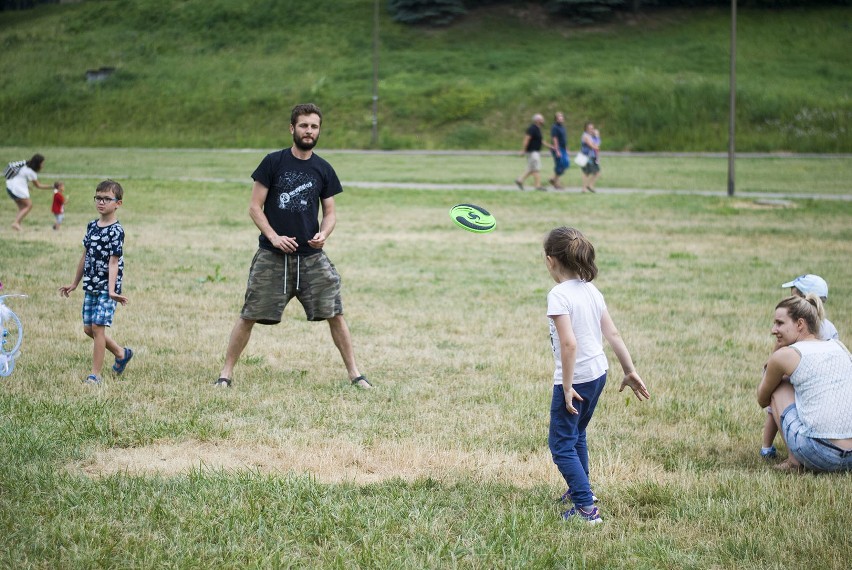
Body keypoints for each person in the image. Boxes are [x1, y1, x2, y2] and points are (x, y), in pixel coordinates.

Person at [215, 103, 370, 390]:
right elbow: (254, 207)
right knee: (248, 314)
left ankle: (355, 374)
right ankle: (225, 374)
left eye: (314, 126)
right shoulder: (273, 163)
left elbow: (331, 213)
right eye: (303, 125)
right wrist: (273, 237)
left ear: (319, 130)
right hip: (272, 257)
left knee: (335, 313)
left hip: (312, 258)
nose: (309, 131)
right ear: (292, 128)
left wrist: (324, 234)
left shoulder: (323, 169)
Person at [543, 226, 650, 524]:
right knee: (577, 433)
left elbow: (568, 343)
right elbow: (612, 333)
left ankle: (586, 509)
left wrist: (565, 386)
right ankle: (582, 489)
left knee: (561, 444)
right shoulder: (591, 289)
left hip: (575, 379)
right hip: (597, 374)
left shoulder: (558, 295)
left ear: (550, 260)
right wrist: (630, 371)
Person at [757, 294, 852, 472]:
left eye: (779, 323)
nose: (773, 329)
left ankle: (794, 463)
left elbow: (762, 398)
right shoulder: (839, 346)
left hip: (821, 455)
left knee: (778, 386)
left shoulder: (785, 355)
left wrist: (775, 353)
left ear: (800, 324)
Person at [59, 180, 133, 385]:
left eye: (107, 199)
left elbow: (114, 262)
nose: (101, 202)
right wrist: (74, 283)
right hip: (90, 285)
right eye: (98, 198)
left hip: (107, 288)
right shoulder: (92, 226)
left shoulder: (116, 231)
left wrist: (112, 291)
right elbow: (85, 255)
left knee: (98, 329)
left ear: (118, 203)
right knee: (88, 329)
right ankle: (121, 353)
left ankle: (95, 375)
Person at [6, 153, 53, 230]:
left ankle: (17, 224)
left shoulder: (24, 166)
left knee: (22, 207)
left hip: (10, 187)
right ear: (38, 164)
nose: (43, 165)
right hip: (17, 189)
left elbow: (20, 177)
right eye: (42, 163)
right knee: (29, 205)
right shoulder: (32, 172)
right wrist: (52, 186)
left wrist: (27, 186)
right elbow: (38, 186)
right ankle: (16, 223)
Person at [515, 113, 551, 191]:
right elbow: (526, 139)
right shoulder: (532, 128)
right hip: (532, 152)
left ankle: (519, 180)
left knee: (531, 169)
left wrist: (550, 146)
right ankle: (538, 186)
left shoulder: (538, 129)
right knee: (536, 169)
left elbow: (540, 141)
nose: (543, 121)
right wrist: (523, 150)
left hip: (535, 152)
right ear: (537, 120)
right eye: (542, 119)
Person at [548, 112, 570, 190]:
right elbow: (555, 139)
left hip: (563, 148)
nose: (561, 118)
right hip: (557, 148)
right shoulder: (555, 127)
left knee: (566, 164)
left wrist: (566, 148)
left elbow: (564, 139)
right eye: (559, 117)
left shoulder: (562, 127)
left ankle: (553, 179)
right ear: (556, 119)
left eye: (562, 116)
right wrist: (557, 150)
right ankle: (556, 184)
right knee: (560, 164)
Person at [579, 123, 601, 193]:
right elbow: (593, 146)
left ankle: (589, 185)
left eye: (592, 128)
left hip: (591, 156)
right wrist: (596, 145)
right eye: (590, 128)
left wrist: (597, 137)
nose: (592, 130)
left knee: (596, 172)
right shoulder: (585, 136)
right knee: (586, 172)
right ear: (586, 129)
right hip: (585, 156)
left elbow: (597, 144)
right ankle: (584, 188)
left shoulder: (591, 136)